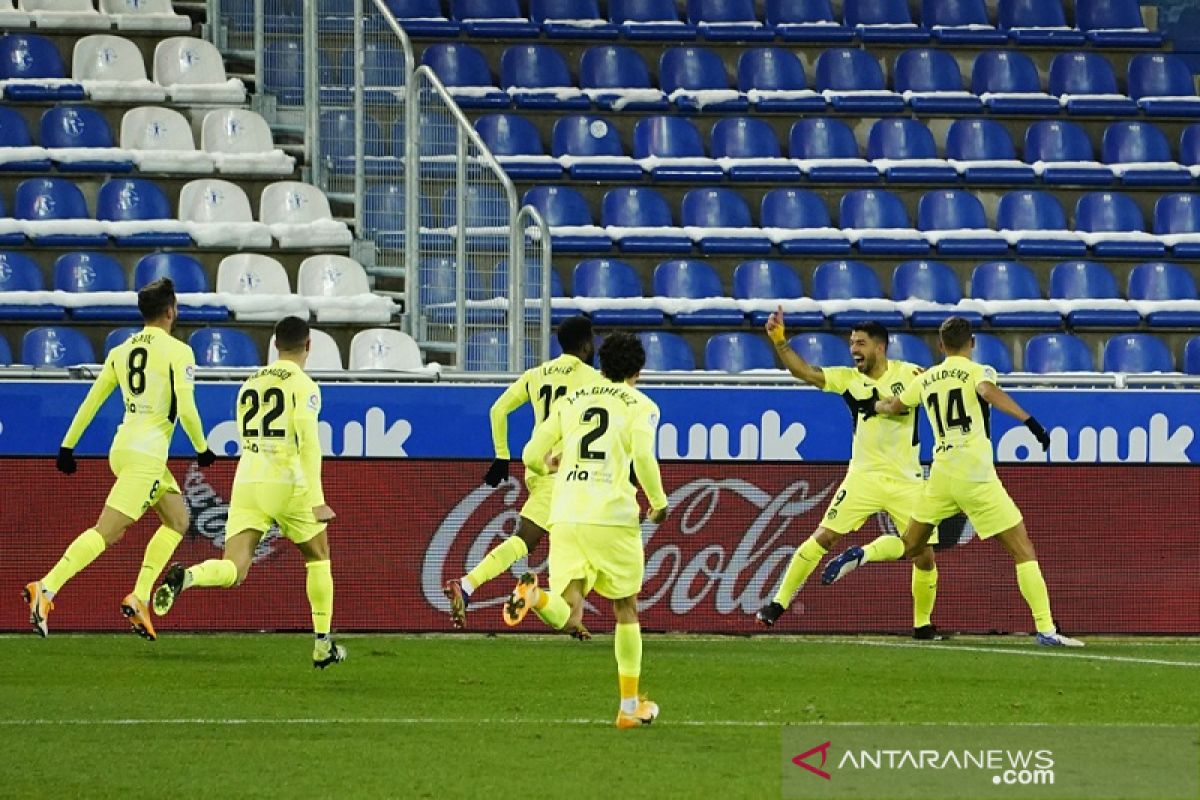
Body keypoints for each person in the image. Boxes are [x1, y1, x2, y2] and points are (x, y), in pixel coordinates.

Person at [822, 316, 1083, 648]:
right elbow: (987, 391)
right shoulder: (978, 372)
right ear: (971, 343)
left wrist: (870, 405)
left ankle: (864, 553)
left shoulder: (926, 378)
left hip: (941, 473)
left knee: (912, 544)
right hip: (975, 474)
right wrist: (1028, 421)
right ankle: (1046, 629)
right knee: (1022, 549)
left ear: (940, 345)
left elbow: (893, 405)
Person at [24, 278, 214, 640]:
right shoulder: (178, 352)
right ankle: (45, 589)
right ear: (171, 310)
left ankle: (140, 597)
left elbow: (91, 401)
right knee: (107, 531)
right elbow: (187, 408)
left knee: (177, 518)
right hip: (147, 455)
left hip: (124, 448)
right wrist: (202, 448)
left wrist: (68, 445)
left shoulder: (121, 351)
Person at [152, 316, 347, 667]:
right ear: (309, 346)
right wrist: (316, 499)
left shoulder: (250, 383)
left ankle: (189, 576)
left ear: (274, 345)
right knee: (318, 555)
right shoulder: (305, 386)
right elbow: (309, 444)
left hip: (247, 480)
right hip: (286, 481)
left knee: (235, 568)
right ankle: (322, 643)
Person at [504, 332, 669, 728]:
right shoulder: (642, 405)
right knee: (625, 608)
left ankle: (538, 597)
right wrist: (659, 503)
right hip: (612, 515)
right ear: (637, 372)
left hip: (566, 511)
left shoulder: (571, 401)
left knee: (570, 610)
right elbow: (643, 456)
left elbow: (529, 455)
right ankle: (629, 709)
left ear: (600, 365)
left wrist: (550, 466)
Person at [755, 310, 944, 639]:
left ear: (880, 347)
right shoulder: (846, 379)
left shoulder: (911, 373)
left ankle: (922, 625)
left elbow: (939, 395)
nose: (854, 349)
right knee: (824, 537)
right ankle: (777, 604)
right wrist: (780, 341)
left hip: (907, 479)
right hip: (863, 477)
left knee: (923, 555)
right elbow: (804, 372)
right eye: (851, 343)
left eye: (860, 343)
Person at [443, 316, 598, 629]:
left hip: (539, 468)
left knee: (537, 541)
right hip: (568, 471)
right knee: (586, 548)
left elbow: (498, 410)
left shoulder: (536, 374)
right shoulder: (592, 378)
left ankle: (473, 587)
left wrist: (502, 456)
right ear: (585, 345)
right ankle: (543, 601)